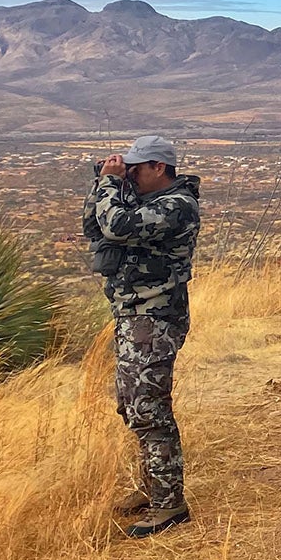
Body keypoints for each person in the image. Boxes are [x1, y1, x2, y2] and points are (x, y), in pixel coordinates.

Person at [84, 134, 202, 537]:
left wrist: (110, 185)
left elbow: (116, 226)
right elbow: (94, 226)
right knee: (132, 405)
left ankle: (170, 505)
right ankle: (156, 488)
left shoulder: (177, 206)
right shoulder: (141, 199)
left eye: (136, 169)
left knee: (149, 407)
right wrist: (101, 183)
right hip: (134, 316)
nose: (129, 176)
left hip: (155, 317)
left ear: (159, 168)